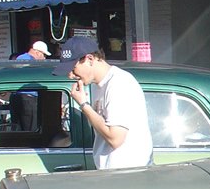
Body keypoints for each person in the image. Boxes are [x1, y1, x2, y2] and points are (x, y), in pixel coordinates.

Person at [53, 35, 152, 169]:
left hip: (127, 174)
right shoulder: (99, 85)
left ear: (90, 59)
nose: (70, 75)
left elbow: (115, 138)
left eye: (73, 68)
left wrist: (84, 105)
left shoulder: (119, 83)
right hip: (113, 174)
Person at [11, 40, 51, 131]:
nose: (44, 58)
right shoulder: (33, 63)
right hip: (28, 99)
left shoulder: (20, 58)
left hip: (16, 97)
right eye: (44, 55)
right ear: (37, 52)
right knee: (31, 131)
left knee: (18, 130)